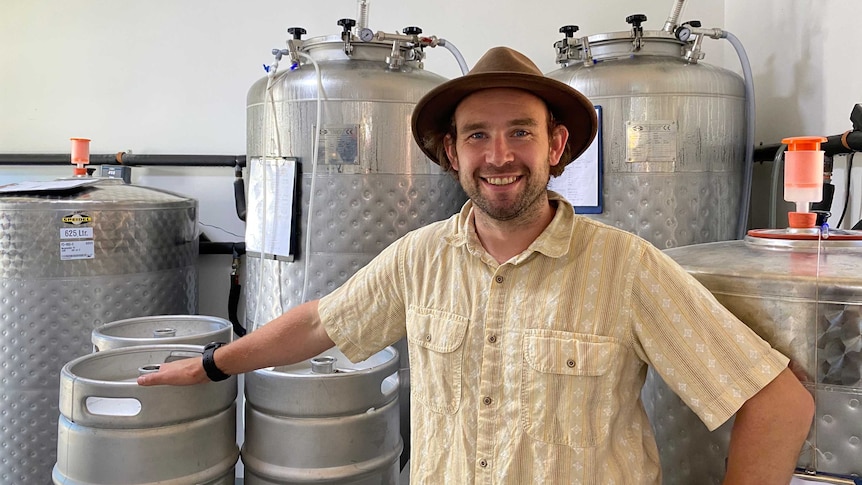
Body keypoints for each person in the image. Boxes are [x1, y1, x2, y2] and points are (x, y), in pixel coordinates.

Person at [139, 46, 814, 484]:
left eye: (521, 130)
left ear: (556, 147)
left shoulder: (626, 266)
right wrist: (209, 364)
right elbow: (321, 322)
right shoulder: (419, 258)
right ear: (450, 155)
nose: (500, 155)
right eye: (477, 136)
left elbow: (776, 401)